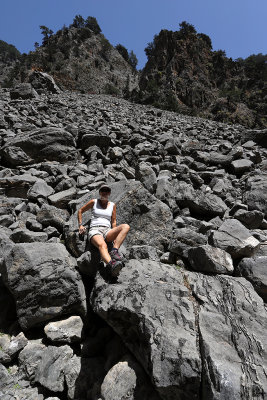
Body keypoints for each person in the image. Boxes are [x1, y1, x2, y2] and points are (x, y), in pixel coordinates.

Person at [78, 184, 130, 277]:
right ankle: (112, 264)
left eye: (107, 191)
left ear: (109, 193)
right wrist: (80, 225)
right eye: (102, 191)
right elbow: (80, 211)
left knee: (126, 226)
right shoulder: (94, 202)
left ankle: (114, 251)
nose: (104, 193)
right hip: (95, 230)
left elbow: (113, 220)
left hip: (107, 230)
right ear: (100, 192)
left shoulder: (112, 205)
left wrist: (114, 235)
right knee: (103, 245)